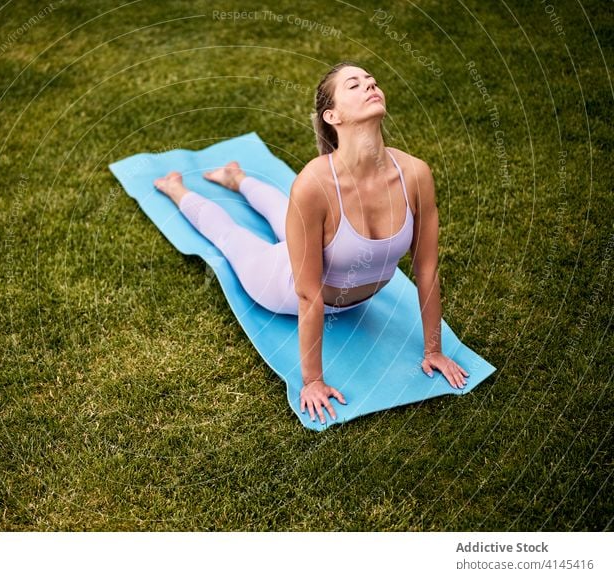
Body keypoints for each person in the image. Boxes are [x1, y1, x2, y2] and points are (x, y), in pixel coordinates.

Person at [153, 61, 469, 425]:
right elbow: (308, 295)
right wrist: (313, 381)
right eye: (354, 84)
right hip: (281, 285)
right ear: (332, 115)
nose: (370, 85)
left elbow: (426, 268)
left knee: (283, 211)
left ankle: (234, 176)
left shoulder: (415, 173)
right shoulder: (315, 183)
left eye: (372, 80)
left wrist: (435, 350)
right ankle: (176, 187)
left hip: (349, 292)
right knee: (231, 237)